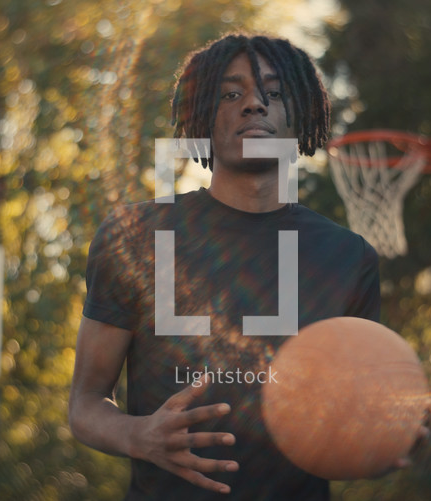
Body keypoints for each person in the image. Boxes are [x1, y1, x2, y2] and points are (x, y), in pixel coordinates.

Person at [69, 33, 387, 499]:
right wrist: (139, 436)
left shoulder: (348, 257)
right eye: (231, 93)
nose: (255, 104)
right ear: (200, 116)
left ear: (298, 116)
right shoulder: (137, 237)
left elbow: (354, 417)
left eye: (274, 93)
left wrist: (382, 438)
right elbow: (85, 403)